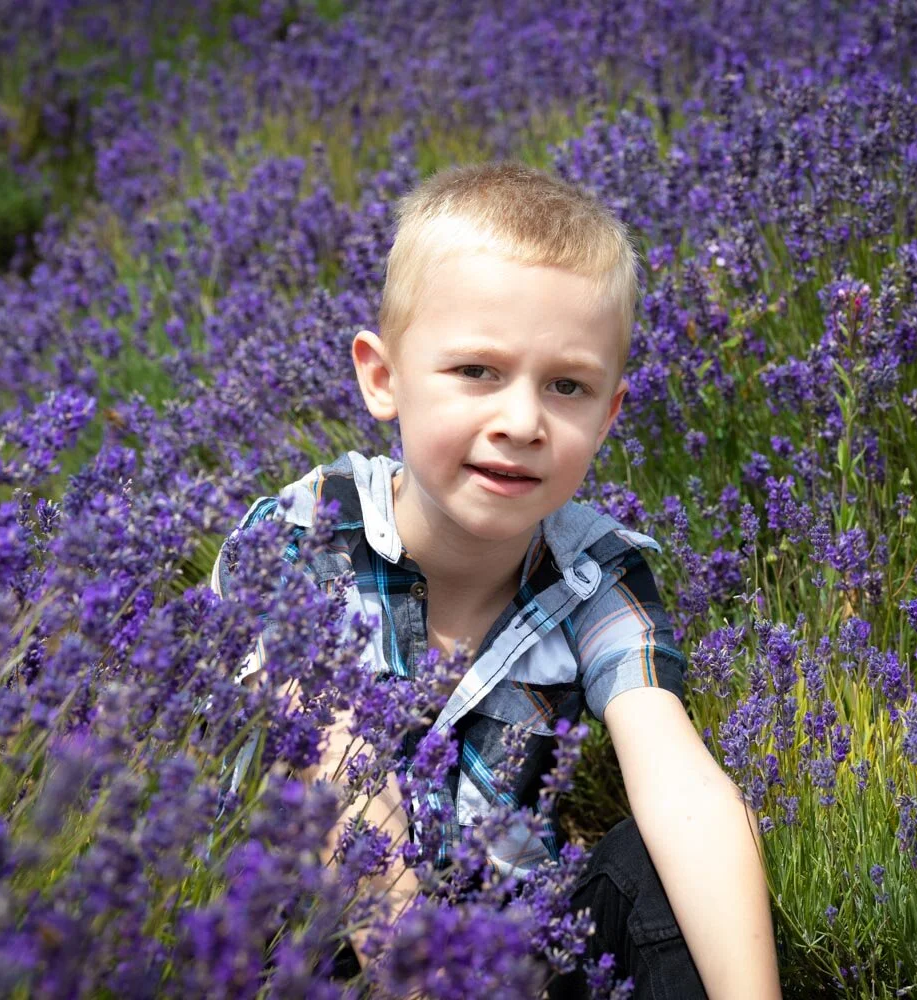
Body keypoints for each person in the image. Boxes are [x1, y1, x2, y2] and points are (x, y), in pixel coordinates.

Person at [210, 161, 781, 999]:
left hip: (511, 961)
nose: (522, 422)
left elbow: (680, 785)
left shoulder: (598, 575)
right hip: (313, 950)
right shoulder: (301, 538)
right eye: (477, 371)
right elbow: (330, 768)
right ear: (383, 377)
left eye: (567, 386)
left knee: (680, 854)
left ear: (610, 413)